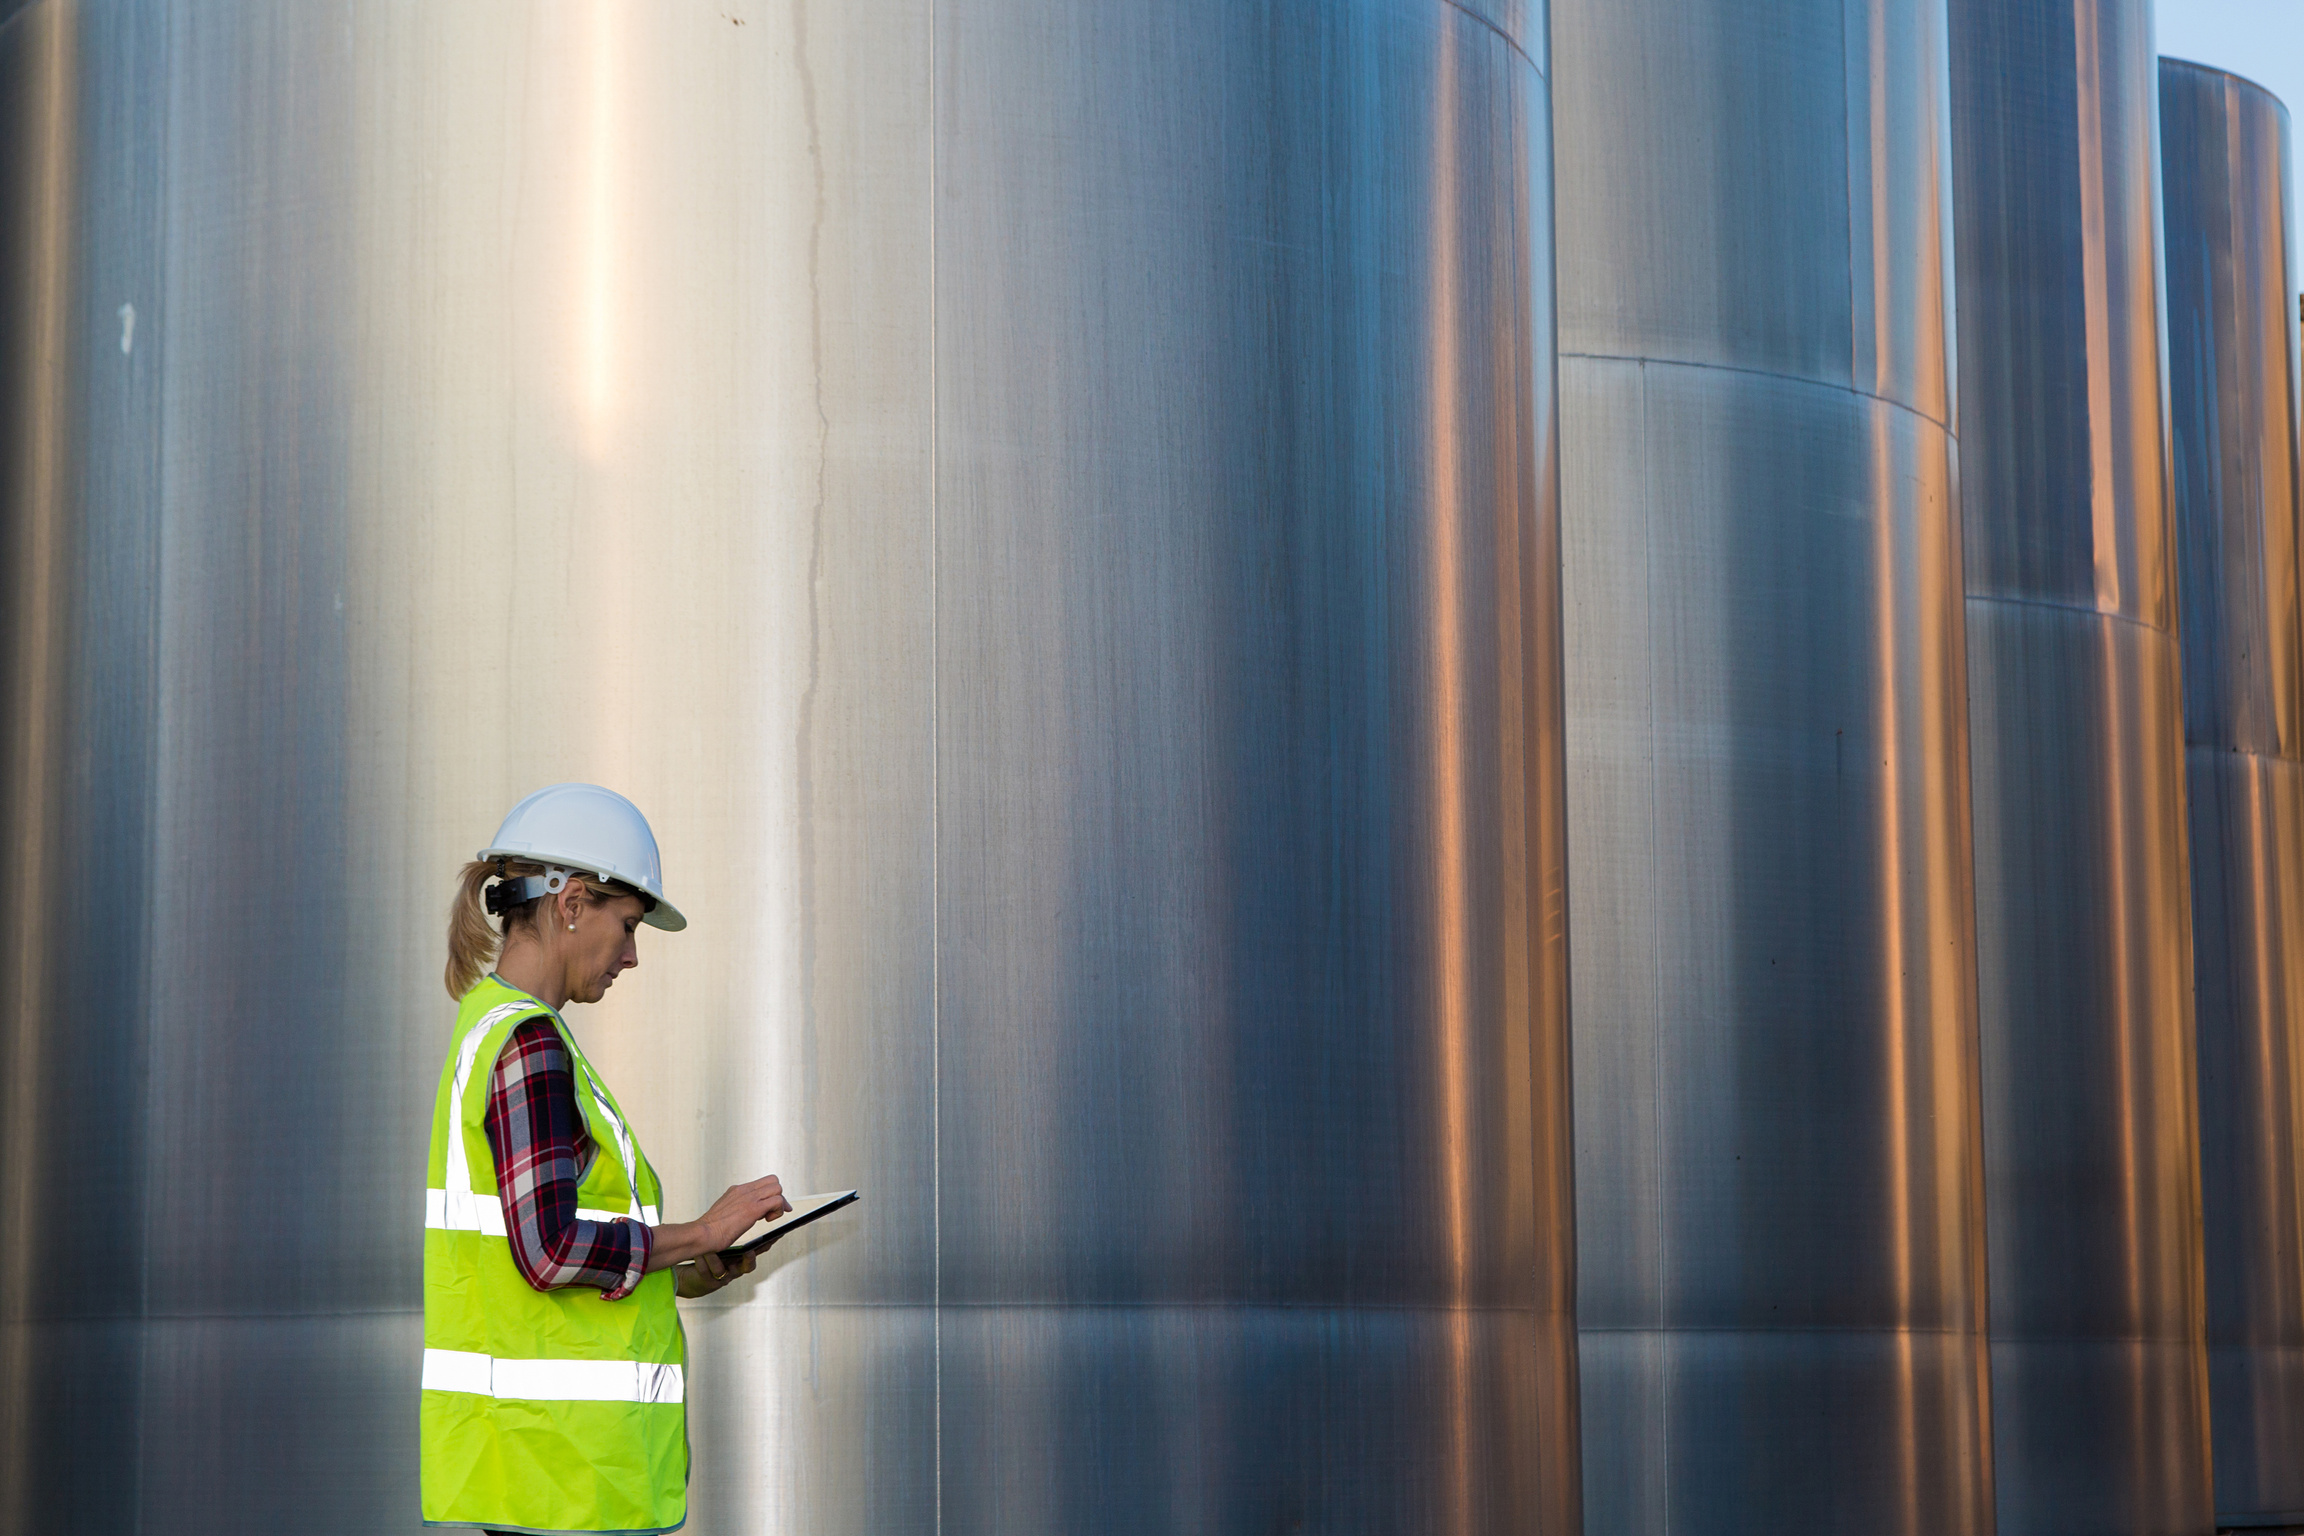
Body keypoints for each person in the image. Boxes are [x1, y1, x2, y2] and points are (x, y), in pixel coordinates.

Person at [420, 783, 790, 1534]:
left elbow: (539, 1265)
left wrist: (684, 1275)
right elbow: (551, 1251)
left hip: (547, 1473)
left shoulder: (497, 1028)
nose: (631, 955)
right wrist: (702, 1231)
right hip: (566, 1477)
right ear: (571, 904)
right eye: (626, 925)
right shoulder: (528, 1043)